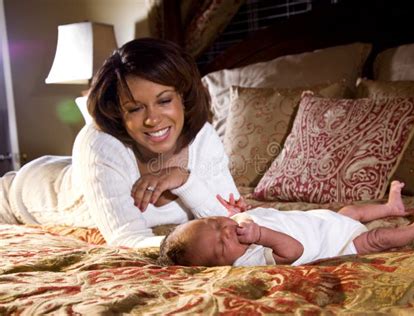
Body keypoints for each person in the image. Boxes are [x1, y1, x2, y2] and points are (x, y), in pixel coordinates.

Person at [0, 38, 240, 248]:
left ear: (184, 98)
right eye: (135, 108)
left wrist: (183, 179)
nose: (152, 119)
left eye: (164, 101)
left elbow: (232, 219)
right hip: (28, 192)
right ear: (118, 112)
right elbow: (128, 240)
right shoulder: (99, 145)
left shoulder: (203, 136)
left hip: (77, 170)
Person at [159, 181, 414, 266]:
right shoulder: (252, 258)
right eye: (222, 245)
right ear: (223, 265)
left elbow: (266, 215)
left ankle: (389, 206)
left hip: (320, 220)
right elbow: (293, 249)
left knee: (351, 212)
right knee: (376, 239)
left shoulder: (235, 223)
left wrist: (245, 210)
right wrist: (259, 234)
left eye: (213, 223)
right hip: (333, 244)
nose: (225, 231)